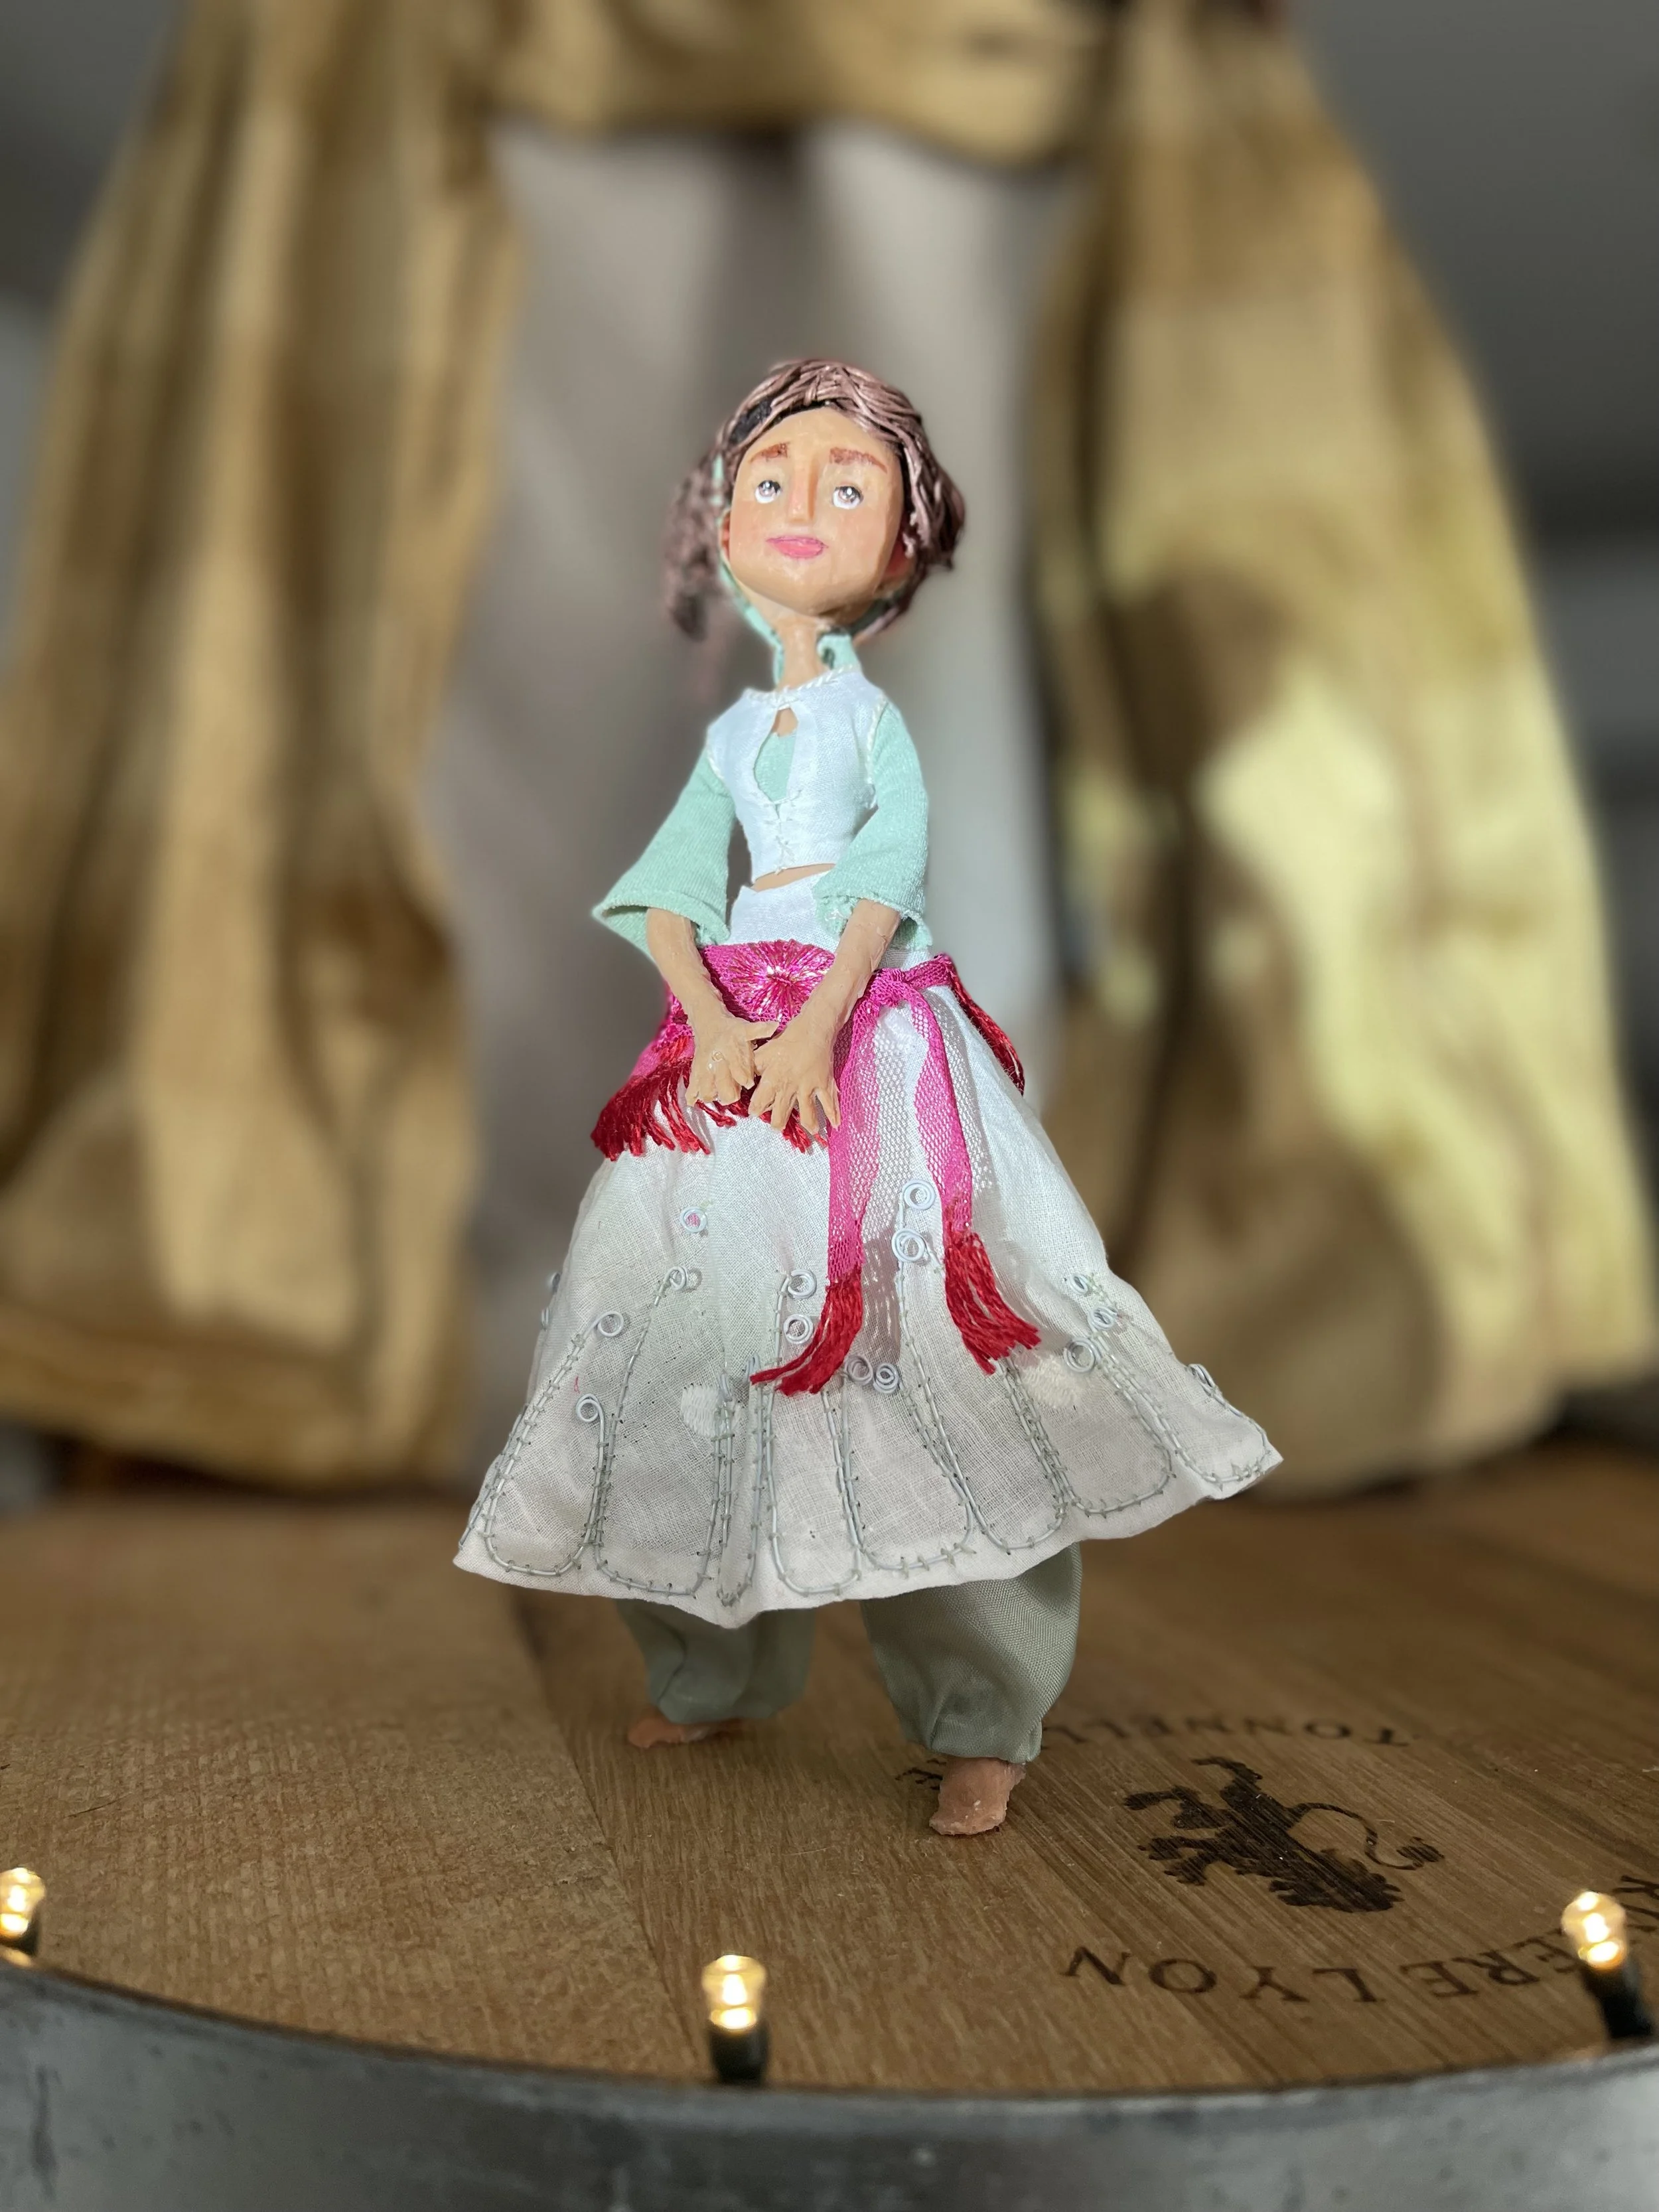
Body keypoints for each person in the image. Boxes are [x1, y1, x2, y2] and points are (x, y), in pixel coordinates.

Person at [455, 360, 1277, 1836]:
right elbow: (663, 889)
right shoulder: (732, 737)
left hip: (867, 1056)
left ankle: (982, 1704)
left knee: (924, 1359)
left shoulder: (867, 725)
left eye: (847, 486)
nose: (801, 504)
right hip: (736, 1053)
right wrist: (712, 1021)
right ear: (724, 529)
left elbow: (883, 882)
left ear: (899, 548)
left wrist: (814, 1030)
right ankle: (710, 1664)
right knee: (690, 1345)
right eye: (771, 481)